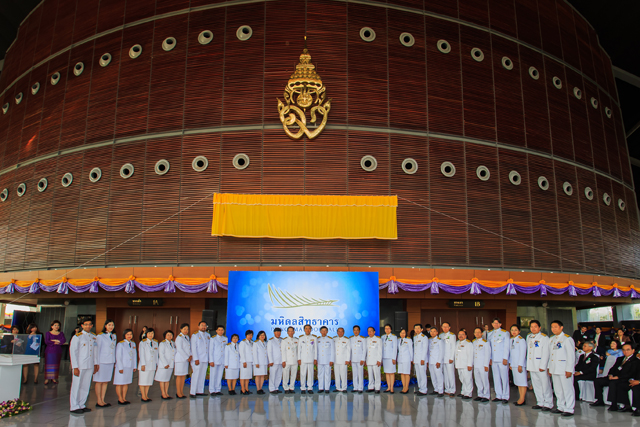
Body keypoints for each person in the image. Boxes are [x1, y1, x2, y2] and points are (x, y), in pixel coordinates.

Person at [592, 343, 638, 410]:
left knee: (613, 383)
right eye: (624, 350)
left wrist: (618, 377)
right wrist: (610, 375)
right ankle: (600, 400)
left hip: (624, 379)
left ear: (633, 350)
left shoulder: (636, 361)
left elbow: (631, 373)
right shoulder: (620, 359)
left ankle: (614, 404)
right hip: (615, 377)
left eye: (628, 350)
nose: (626, 351)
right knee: (597, 381)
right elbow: (613, 368)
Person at [69, 318, 98, 414]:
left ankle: (82, 404)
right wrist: (75, 367)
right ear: (82, 325)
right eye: (86, 324)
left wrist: (96, 363)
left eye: (90, 324)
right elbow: (73, 352)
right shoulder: (77, 337)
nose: (88, 326)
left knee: (85, 385)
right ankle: (74, 406)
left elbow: (95, 352)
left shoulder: (93, 336)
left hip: (89, 364)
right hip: (80, 365)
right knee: (76, 385)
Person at [548, 320, 576, 416]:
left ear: (561, 327)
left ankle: (569, 408)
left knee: (567, 389)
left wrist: (569, 369)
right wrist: (549, 367)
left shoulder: (567, 339)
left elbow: (571, 356)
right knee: (558, 389)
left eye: (556, 327)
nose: (553, 329)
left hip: (564, 369)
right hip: (554, 368)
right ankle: (560, 406)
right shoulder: (552, 339)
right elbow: (550, 355)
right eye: (552, 327)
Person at [526, 319, 552, 411]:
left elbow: (546, 353)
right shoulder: (529, 337)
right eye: (531, 327)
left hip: (541, 365)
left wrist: (543, 366)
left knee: (545, 385)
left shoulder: (544, 338)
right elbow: (529, 352)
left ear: (539, 327)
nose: (533, 328)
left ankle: (548, 403)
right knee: (536, 385)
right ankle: (540, 402)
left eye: (535, 326)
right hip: (532, 365)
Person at [94, 319, 116, 407]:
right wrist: (96, 363)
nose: (111, 327)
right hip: (102, 361)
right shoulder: (100, 336)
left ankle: (103, 399)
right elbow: (97, 350)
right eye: (109, 325)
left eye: (112, 325)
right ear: (105, 325)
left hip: (110, 361)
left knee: (106, 381)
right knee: (99, 381)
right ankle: (98, 400)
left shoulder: (114, 336)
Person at [489, 317, 510, 403]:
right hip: (494, 359)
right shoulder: (490, 334)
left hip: (502, 359)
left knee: (504, 378)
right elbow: (489, 348)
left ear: (500, 324)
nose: (495, 324)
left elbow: (506, 346)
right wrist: (490, 358)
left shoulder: (505, 333)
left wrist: (505, 358)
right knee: (496, 377)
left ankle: (505, 396)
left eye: (497, 323)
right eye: (494, 323)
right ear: (492, 324)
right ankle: (498, 395)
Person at [114, 329, 136, 405]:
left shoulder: (133, 344)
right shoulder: (121, 344)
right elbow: (118, 356)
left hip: (129, 366)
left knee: (126, 382)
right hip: (122, 366)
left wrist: (134, 366)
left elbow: (134, 355)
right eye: (127, 334)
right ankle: (120, 398)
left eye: (131, 334)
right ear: (124, 335)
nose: (129, 336)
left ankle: (124, 398)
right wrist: (120, 367)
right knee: (120, 382)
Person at [190, 321, 210, 397]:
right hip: (198, 359)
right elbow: (193, 348)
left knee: (202, 375)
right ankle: (192, 392)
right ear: (198, 326)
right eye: (202, 325)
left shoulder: (208, 335)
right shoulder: (195, 335)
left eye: (205, 326)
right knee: (196, 375)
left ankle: (199, 391)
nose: (203, 327)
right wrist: (196, 358)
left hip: (205, 358)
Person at [138, 328, 158, 402]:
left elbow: (156, 354)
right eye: (149, 333)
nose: (150, 335)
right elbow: (141, 354)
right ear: (146, 334)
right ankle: (143, 396)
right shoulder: (142, 343)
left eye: (152, 333)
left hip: (152, 364)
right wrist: (143, 364)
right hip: (145, 365)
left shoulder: (155, 342)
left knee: (148, 381)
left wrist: (157, 364)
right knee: (143, 381)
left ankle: (146, 395)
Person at [509, 324, 527, 406]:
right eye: (512, 330)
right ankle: (520, 398)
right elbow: (511, 353)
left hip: (520, 365)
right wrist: (511, 363)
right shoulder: (512, 340)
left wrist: (520, 365)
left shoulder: (521, 340)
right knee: (518, 382)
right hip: (514, 364)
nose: (514, 331)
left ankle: (522, 399)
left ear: (519, 331)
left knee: (522, 382)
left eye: (516, 330)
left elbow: (522, 353)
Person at [44, 320, 66, 384]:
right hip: (49, 351)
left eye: (58, 325)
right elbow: (47, 341)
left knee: (56, 364)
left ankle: (54, 378)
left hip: (57, 350)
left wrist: (55, 341)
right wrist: (54, 342)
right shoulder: (48, 333)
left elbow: (63, 340)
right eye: (55, 325)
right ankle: (47, 378)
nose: (57, 326)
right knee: (49, 364)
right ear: (52, 326)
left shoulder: (61, 333)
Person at [472, 327, 490, 402]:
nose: (477, 334)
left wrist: (486, 365)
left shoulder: (485, 342)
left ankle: (486, 395)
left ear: (482, 333)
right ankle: (480, 394)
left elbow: (487, 354)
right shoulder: (473, 342)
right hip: (476, 364)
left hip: (483, 364)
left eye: (479, 332)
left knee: (484, 380)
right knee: (478, 380)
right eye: (476, 332)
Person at [208, 325, 227, 396]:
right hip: (215, 360)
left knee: (219, 375)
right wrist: (211, 360)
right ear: (216, 331)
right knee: (213, 375)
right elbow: (211, 350)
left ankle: (218, 389)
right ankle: (212, 390)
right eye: (219, 330)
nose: (221, 331)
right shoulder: (213, 339)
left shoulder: (225, 338)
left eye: (222, 330)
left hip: (222, 360)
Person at [156, 330, 175, 400]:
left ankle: (166, 393)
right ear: (165, 336)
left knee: (167, 379)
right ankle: (163, 393)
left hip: (170, 364)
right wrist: (165, 364)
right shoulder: (162, 343)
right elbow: (161, 354)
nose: (170, 336)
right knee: (162, 379)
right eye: (168, 335)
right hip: (164, 365)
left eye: (171, 335)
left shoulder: (173, 343)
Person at [454, 329, 473, 399]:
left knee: (468, 379)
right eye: (459, 334)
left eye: (462, 334)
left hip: (466, 365)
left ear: (465, 336)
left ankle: (468, 393)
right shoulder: (457, 343)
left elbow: (470, 355)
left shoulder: (468, 344)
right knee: (462, 379)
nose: (460, 336)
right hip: (459, 364)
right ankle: (463, 391)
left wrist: (469, 364)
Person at [298, 324, 316, 394]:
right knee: (303, 373)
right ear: (304, 330)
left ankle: (310, 388)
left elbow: (315, 350)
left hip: (311, 359)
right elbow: (299, 349)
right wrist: (299, 358)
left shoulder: (314, 338)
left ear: (311, 330)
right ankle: (303, 388)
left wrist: (315, 358)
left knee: (310, 373)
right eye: (306, 328)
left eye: (309, 328)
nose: (308, 330)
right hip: (303, 359)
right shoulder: (301, 338)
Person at [174, 323, 191, 399]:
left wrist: (190, 356)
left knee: (183, 376)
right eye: (184, 329)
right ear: (181, 329)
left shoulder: (187, 337)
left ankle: (181, 391)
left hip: (185, 360)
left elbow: (189, 348)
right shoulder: (179, 338)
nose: (186, 331)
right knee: (179, 376)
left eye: (187, 329)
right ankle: (178, 392)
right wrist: (187, 357)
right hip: (180, 359)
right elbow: (179, 349)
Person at [439, 322, 457, 397]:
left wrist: (451, 357)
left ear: (449, 327)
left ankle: (452, 389)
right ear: (441, 327)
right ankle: (447, 389)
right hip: (443, 358)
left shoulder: (452, 335)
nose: (445, 328)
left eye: (446, 327)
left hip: (449, 358)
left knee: (450, 374)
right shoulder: (440, 335)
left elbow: (453, 347)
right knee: (445, 374)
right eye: (444, 327)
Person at [317, 326, 335, 393]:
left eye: (325, 331)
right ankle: (321, 388)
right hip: (320, 360)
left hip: (328, 360)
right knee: (320, 374)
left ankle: (327, 388)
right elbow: (316, 351)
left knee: (328, 374)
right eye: (322, 331)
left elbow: (332, 350)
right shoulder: (317, 339)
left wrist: (332, 360)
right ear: (320, 332)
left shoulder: (330, 339)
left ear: (327, 332)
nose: (324, 332)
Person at [412, 324, 428, 396]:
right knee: (418, 374)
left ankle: (424, 389)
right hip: (416, 359)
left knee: (422, 374)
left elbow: (425, 349)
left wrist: (423, 359)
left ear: (422, 329)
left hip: (422, 359)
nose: (417, 329)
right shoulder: (415, 337)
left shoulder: (424, 337)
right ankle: (420, 388)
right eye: (415, 328)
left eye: (418, 328)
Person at [281, 326, 298, 393]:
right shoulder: (284, 340)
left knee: (293, 375)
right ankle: (285, 388)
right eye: (289, 331)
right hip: (287, 360)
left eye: (292, 331)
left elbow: (298, 351)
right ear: (287, 332)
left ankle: (291, 387)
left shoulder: (297, 340)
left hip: (294, 360)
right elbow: (283, 351)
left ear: (294, 332)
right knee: (285, 375)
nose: (291, 332)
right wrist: (283, 360)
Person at [381, 324, 397, 393]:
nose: (387, 330)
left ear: (391, 329)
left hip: (391, 357)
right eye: (386, 328)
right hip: (385, 357)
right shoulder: (382, 337)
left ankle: (392, 388)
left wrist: (394, 358)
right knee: (387, 373)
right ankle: (388, 387)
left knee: (391, 373)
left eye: (388, 328)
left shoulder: (393, 337)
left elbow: (395, 348)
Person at [333, 327, 351, 393]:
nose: (340, 333)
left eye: (342, 331)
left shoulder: (347, 340)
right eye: (339, 331)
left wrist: (347, 359)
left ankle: (344, 388)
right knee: (336, 374)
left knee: (343, 374)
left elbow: (348, 351)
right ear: (337, 332)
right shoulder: (334, 339)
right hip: (335, 360)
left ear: (344, 332)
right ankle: (337, 387)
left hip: (343, 360)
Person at [350, 325, 367, 393]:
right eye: (354, 330)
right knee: (354, 374)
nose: (356, 331)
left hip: (360, 359)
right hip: (353, 359)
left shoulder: (363, 339)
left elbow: (364, 350)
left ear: (359, 331)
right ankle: (355, 387)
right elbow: (350, 350)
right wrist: (350, 359)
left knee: (360, 374)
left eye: (357, 330)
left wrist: (363, 359)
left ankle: (360, 388)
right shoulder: (351, 339)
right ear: (353, 331)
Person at [365, 326, 382, 393]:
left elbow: (379, 351)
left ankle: (377, 388)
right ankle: (371, 387)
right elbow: (366, 351)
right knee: (370, 375)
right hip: (369, 360)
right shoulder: (366, 339)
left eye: (371, 331)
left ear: (374, 332)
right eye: (368, 331)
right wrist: (366, 360)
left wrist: (379, 360)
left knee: (377, 374)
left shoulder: (378, 339)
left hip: (375, 360)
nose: (370, 332)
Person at [428, 326, 444, 396]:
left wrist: (439, 361)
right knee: (433, 376)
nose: (432, 333)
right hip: (431, 361)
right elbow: (428, 351)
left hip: (437, 361)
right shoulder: (429, 340)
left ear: (437, 332)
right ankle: (436, 389)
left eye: (434, 331)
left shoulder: (439, 340)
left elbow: (441, 351)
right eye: (431, 331)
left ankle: (441, 391)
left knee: (439, 375)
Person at [267, 327, 283, 394]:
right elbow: (269, 352)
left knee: (279, 375)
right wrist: (270, 361)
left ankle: (276, 387)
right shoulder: (271, 341)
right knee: (272, 375)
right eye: (277, 332)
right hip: (274, 361)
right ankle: (272, 388)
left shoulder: (282, 340)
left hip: (281, 361)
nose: (278, 333)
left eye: (279, 332)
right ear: (274, 333)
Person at [397, 328, 413, 394]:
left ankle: (407, 387)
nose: (402, 334)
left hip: (406, 359)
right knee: (402, 373)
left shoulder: (408, 340)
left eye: (404, 333)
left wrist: (411, 359)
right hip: (400, 359)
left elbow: (411, 350)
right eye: (401, 333)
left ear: (406, 333)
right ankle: (403, 387)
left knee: (406, 373)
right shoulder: (398, 340)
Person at [239, 329, 254, 395]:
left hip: (250, 361)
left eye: (251, 335)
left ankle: (246, 388)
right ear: (246, 335)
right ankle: (242, 389)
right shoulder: (243, 343)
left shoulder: (252, 342)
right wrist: (244, 361)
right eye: (249, 335)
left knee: (247, 376)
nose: (250, 336)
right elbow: (242, 353)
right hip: (245, 362)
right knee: (243, 376)